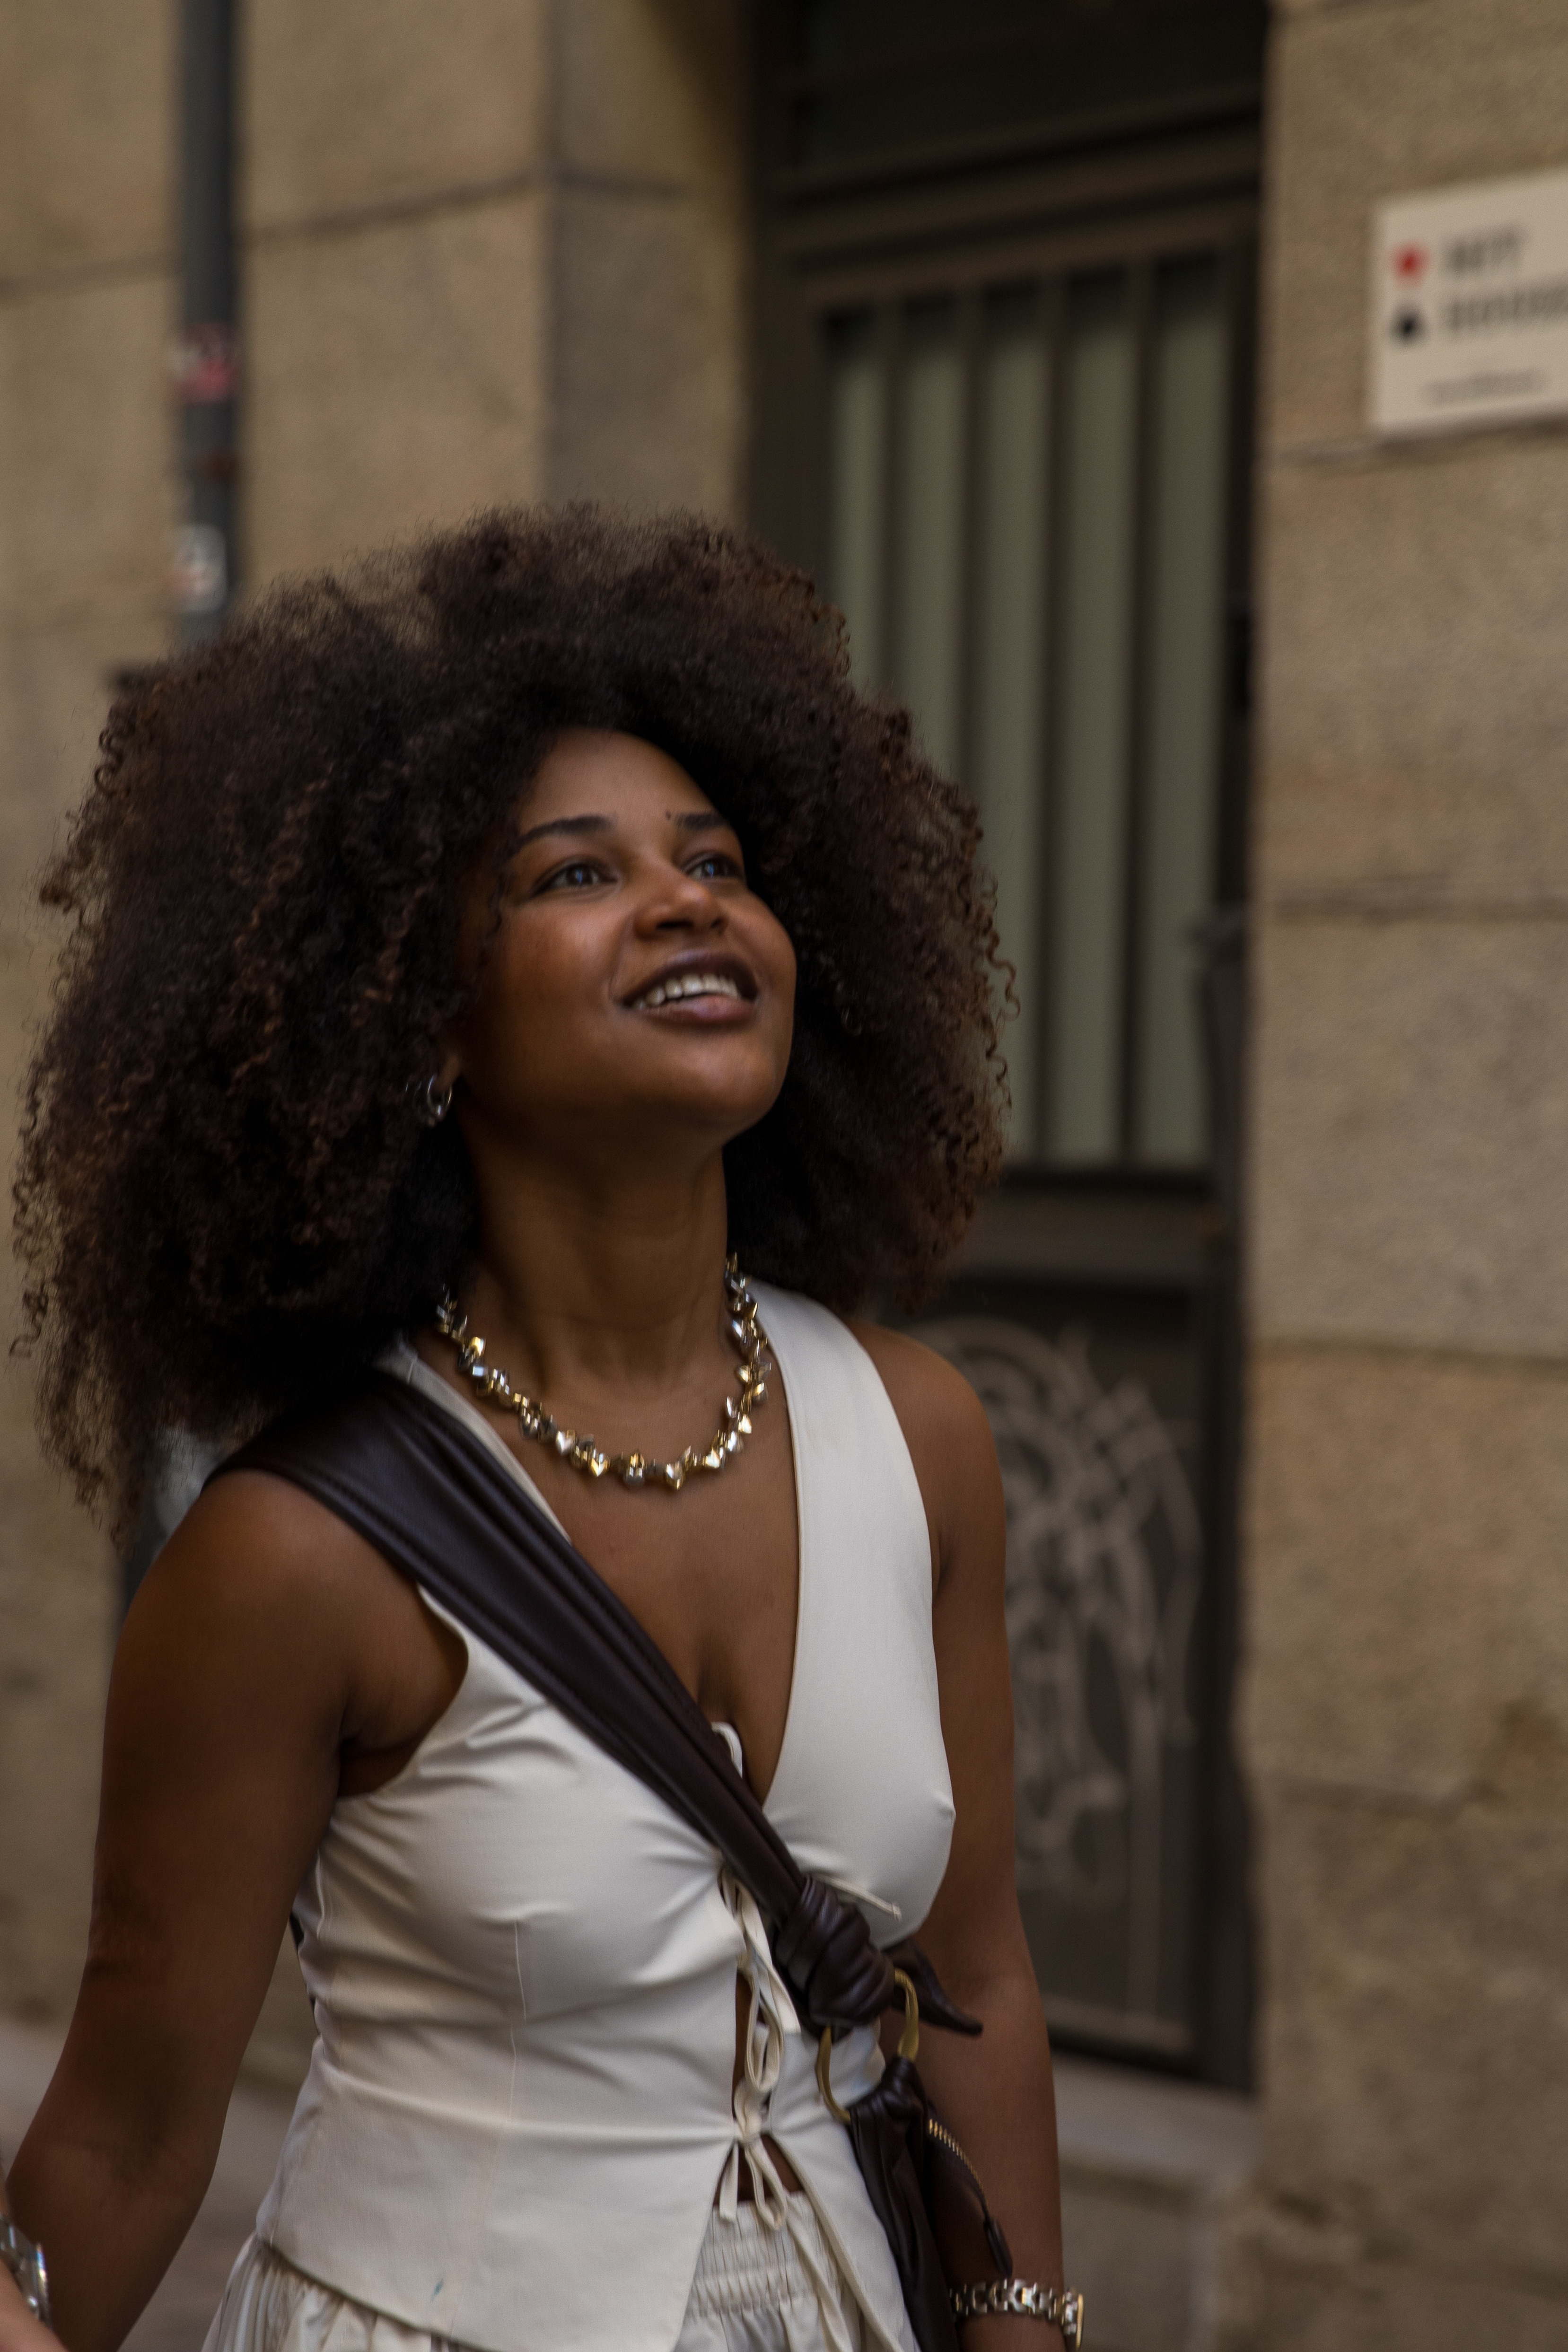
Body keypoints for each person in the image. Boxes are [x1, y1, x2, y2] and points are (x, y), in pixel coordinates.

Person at [1, 510, 1066, 2352]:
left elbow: (968, 1974)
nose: (687, 901)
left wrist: (1025, 2324)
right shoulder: (301, 1551)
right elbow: (122, 2132)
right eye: (575, 873)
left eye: (719, 860)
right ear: (417, 1022)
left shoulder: (916, 1432)